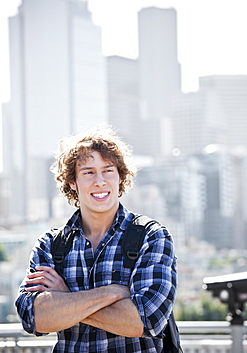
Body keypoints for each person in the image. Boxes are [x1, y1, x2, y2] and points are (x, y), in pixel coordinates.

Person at [15, 124, 177, 352]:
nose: (100, 181)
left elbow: (146, 320)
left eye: (108, 170)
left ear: (120, 177)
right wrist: (113, 292)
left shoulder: (150, 236)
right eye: (88, 172)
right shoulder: (51, 245)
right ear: (73, 182)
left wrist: (66, 300)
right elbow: (33, 317)